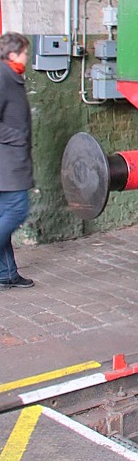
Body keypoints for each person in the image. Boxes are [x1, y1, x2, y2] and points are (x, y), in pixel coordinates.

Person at [0, 32, 35, 288]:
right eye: (24, 52)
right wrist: (18, 136)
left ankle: (6, 274)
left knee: (4, 212)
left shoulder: (11, 75)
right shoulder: (2, 76)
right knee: (17, 209)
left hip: (9, 161)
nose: (27, 56)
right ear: (13, 54)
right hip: (7, 163)